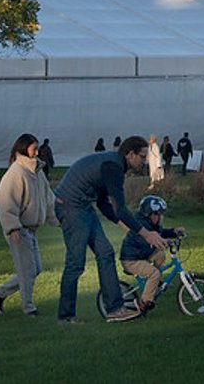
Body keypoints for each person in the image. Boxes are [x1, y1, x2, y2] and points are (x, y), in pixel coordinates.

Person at [52, 135, 165, 324]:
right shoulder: (113, 167)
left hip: (84, 206)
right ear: (129, 154)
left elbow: (103, 203)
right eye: (142, 156)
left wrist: (126, 228)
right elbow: (120, 208)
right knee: (76, 262)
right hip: (70, 207)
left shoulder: (114, 165)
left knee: (105, 252)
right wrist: (146, 234)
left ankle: (114, 309)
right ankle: (65, 316)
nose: (145, 161)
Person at [0, 133, 59, 317]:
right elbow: (6, 201)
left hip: (31, 230)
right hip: (19, 231)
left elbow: (48, 199)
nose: (37, 152)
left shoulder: (37, 173)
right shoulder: (16, 173)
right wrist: (12, 227)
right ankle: (29, 308)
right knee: (26, 271)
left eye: (37, 148)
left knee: (34, 269)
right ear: (23, 149)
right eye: (33, 148)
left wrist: (58, 220)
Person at [120, 195, 185, 312]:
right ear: (148, 214)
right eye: (157, 214)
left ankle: (154, 282)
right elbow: (148, 238)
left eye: (160, 214)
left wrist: (173, 232)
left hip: (142, 255)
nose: (160, 217)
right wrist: (163, 241)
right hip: (131, 260)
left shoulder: (151, 224)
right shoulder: (140, 225)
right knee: (154, 273)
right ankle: (143, 303)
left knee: (160, 255)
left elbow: (161, 232)